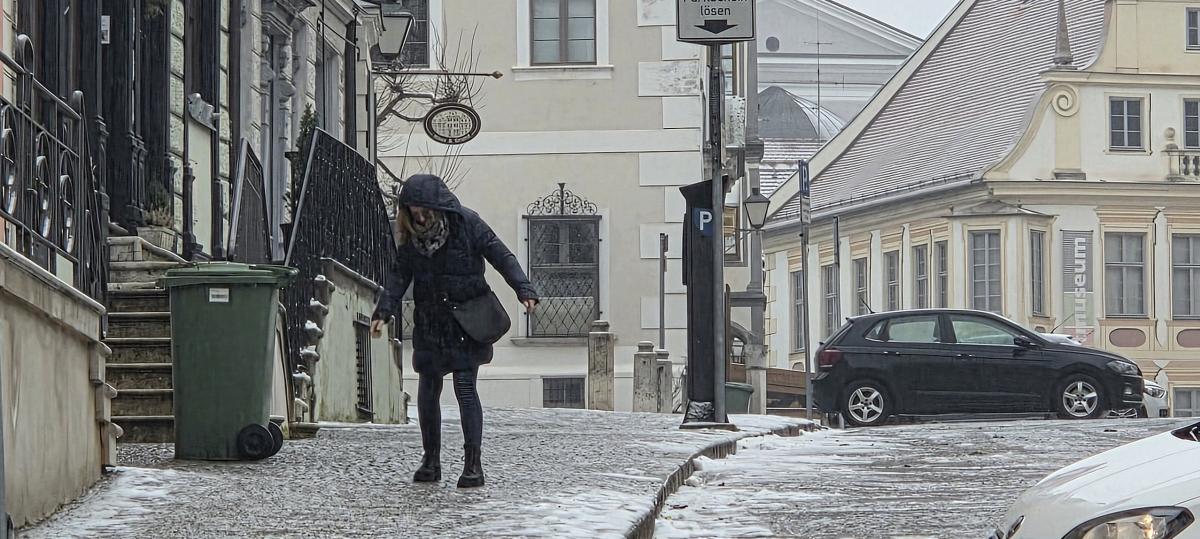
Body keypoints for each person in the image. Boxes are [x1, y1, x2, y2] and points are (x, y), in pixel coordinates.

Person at [371, 174, 538, 488]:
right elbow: (398, 276)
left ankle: (472, 464)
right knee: (428, 390)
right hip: (431, 322)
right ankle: (431, 460)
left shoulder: (467, 224)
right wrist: (383, 311)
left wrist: (523, 289)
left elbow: (501, 255)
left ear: (438, 206)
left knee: (464, 388)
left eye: (424, 209)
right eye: (412, 210)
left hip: (466, 320)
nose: (419, 216)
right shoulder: (410, 239)